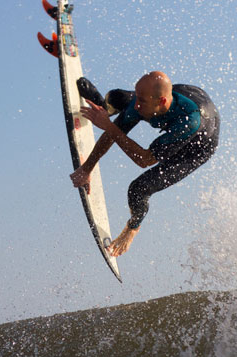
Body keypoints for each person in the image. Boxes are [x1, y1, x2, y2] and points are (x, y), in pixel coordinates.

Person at [70, 71, 219, 257]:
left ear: (162, 102)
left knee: (138, 189)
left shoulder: (189, 122)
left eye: (141, 101)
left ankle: (133, 228)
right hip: (179, 98)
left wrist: (108, 125)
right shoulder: (141, 103)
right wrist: (86, 169)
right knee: (119, 98)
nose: (136, 105)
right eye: (137, 97)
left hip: (196, 147)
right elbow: (113, 133)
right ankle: (106, 107)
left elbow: (144, 160)